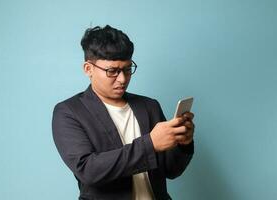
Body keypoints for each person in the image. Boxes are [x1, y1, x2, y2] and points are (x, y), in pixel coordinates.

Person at [52, 25, 195, 200]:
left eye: (127, 69)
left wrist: (183, 143)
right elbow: (88, 170)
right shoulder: (69, 112)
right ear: (88, 69)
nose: (123, 79)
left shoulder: (149, 106)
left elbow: (171, 171)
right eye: (112, 71)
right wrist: (150, 144)